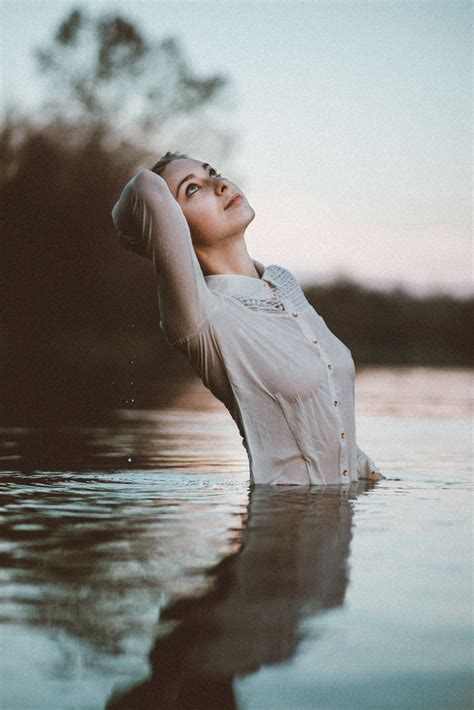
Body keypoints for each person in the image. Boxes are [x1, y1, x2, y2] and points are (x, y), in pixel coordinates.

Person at [112, 152, 383, 485]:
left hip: (341, 520)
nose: (220, 184)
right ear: (171, 222)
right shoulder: (200, 316)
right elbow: (145, 186)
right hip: (280, 523)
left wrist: (369, 473)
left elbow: (332, 428)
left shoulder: (283, 284)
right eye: (193, 190)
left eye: (213, 173)